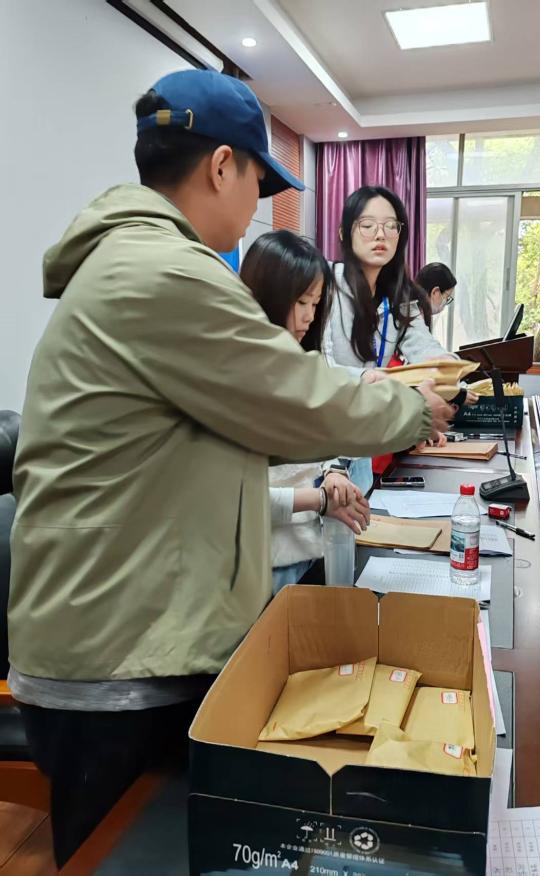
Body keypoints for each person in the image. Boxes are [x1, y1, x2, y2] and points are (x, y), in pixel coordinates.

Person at [7, 70, 454, 866]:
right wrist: (410, 410)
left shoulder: (137, 264)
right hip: (120, 654)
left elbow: (258, 428)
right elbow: (295, 399)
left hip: (129, 632)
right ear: (221, 166)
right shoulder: (164, 274)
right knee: (129, 854)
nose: (256, 204)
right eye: (257, 181)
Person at [240, 230, 370, 592]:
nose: (310, 317)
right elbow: (236, 500)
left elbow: (320, 437)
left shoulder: (296, 366)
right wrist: (320, 500)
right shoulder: (237, 382)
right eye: (301, 302)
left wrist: (333, 471)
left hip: (309, 553)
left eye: (316, 304)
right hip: (263, 569)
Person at [323, 186, 458, 491]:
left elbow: (424, 347)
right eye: (367, 225)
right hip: (320, 445)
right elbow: (321, 367)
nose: (380, 234)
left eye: (390, 225)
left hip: (360, 446)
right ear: (344, 233)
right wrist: (388, 385)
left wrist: (450, 371)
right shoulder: (326, 284)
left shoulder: (399, 298)